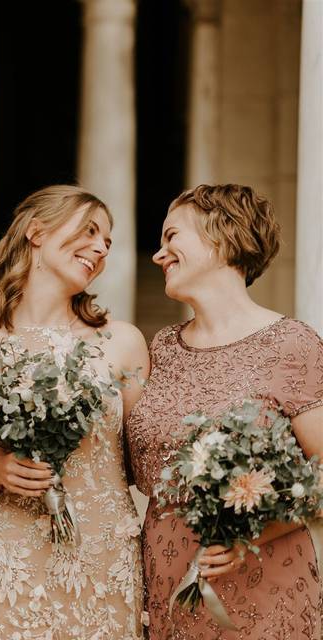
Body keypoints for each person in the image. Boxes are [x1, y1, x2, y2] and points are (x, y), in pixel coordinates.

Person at [0, 185, 147, 638]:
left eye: (108, 241)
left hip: (106, 557)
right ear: (36, 231)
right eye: (90, 230)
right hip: (15, 558)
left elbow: (148, 459)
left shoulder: (122, 342)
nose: (101, 247)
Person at [127, 184, 323, 638]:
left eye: (171, 237)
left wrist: (254, 534)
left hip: (263, 580)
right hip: (167, 579)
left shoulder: (291, 343)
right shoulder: (163, 348)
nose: (159, 255)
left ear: (222, 237)